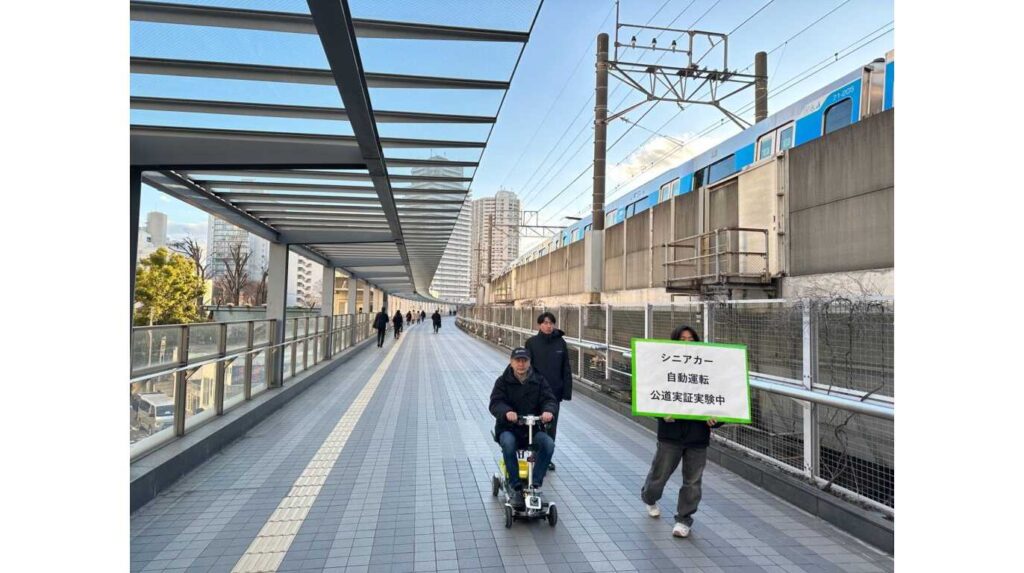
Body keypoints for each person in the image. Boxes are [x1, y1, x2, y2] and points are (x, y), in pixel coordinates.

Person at [640, 325, 724, 539]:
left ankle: (684, 519)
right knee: (659, 477)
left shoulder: (708, 370)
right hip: (671, 435)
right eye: (682, 339)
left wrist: (716, 420)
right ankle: (649, 497)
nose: (687, 343)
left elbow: (721, 399)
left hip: (698, 437)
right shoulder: (664, 368)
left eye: (691, 339)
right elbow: (652, 395)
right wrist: (662, 415)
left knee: (692, 482)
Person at [489, 347, 557, 510]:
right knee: (508, 444)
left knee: (548, 444)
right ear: (511, 362)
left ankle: (535, 482)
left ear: (529, 363)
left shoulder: (539, 380)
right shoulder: (502, 381)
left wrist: (548, 411)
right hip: (509, 428)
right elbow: (495, 403)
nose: (521, 364)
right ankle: (515, 485)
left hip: (533, 429)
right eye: (517, 361)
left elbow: (550, 399)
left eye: (524, 361)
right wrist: (507, 412)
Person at [524, 311, 573, 472]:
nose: (548, 326)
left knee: (551, 427)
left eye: (551, 323)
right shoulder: (531, 343)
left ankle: (546, 459)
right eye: (545, 323)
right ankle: (535, 456)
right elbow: (527, 368)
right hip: (535, 393)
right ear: (539, 325)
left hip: (554, 394)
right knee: (535, 426)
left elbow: (566, 368)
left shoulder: (560, 343)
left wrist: (566, 391)